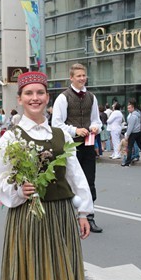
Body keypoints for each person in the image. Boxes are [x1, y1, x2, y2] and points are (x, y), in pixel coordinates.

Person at [0, 71, 92, 280]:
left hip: (61, 213)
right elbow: (1, 180)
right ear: (20, 99)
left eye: (40, 93)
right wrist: (18, 190)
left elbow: (75, 173)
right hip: (30, 215)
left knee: (62, 273)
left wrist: (84, 211)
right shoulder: (10, 137)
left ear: (47, 97)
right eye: (29, 94)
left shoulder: (61, 134)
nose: (35, 98)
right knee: (35, 275)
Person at [51, 63, 103, 233]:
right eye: (78, 76)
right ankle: (68, 216)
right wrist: (75, 130)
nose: (82, 78)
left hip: (87, 144)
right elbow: (56, 124)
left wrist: (95, 127)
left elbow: (96, 119)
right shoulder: (63, 97)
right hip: (70, 145)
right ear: (71, 78)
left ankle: (89, 216)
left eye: (83, 75)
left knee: (89, 180)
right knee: (69, 181)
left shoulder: (91, 97)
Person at [121, 99, 141, 166]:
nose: (128, 109)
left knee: (129, 147)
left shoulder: (132, 116)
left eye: (129, 108)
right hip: (138, 132)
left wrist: (127, 135)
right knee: (140, 145)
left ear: (133, 107)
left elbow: (130, 127)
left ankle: (127, 162)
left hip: (133, 133)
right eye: (127, 108)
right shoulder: (138, 114)